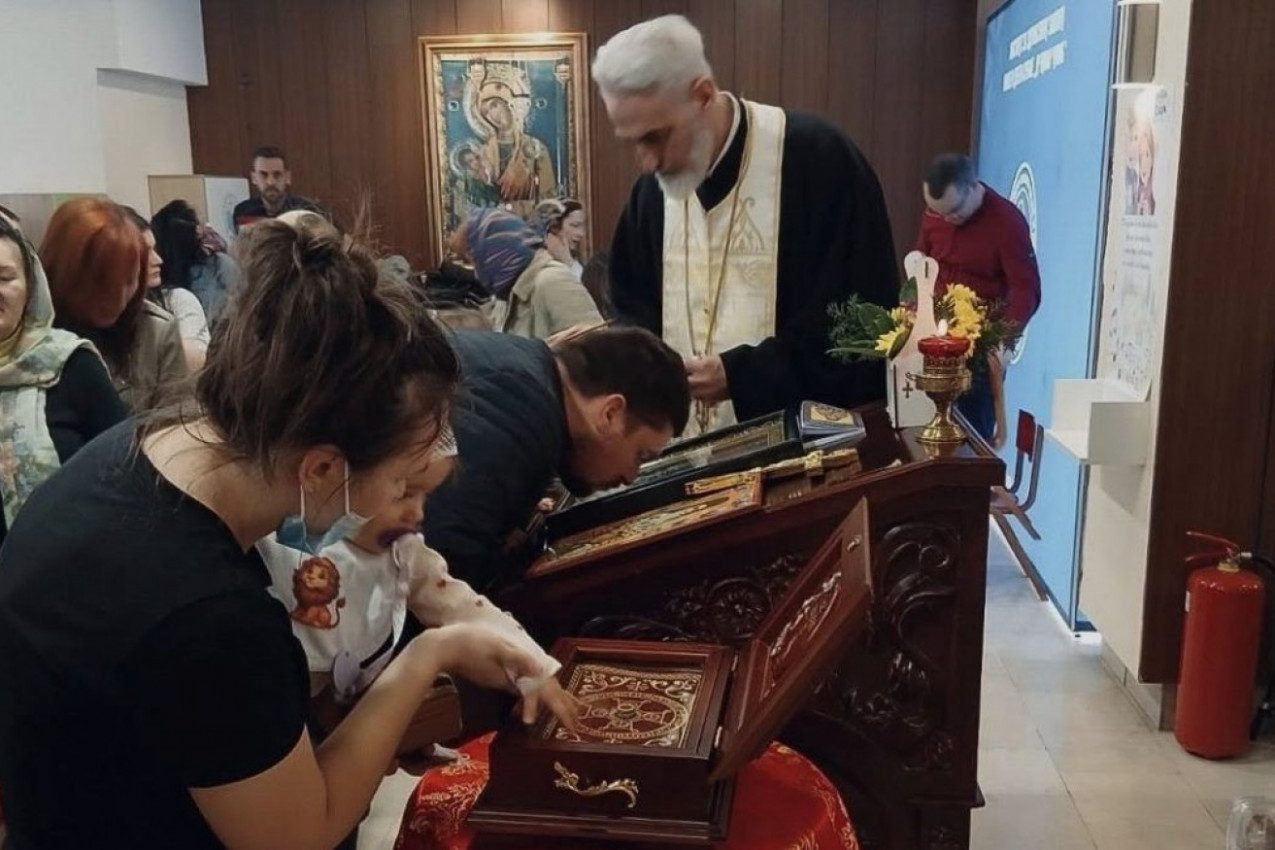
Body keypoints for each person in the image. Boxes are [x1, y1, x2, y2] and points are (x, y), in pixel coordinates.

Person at [0, 216, 547, 850]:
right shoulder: (205, 612)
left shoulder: (153, 442)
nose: (412, 510)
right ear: (321, 468)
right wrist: (434, 653)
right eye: (403, 486)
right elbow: (296, 837)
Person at [598, 15, 898, 436]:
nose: (647, 163)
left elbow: (862, 325)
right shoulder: (650, 196)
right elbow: (633, 313)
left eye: (655, 137)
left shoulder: (819, 159)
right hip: (681, 458)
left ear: (703, 95)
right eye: (632, 143)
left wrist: (742, 375)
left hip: (800, 458)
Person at [256, 426, 573, 734]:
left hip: (347, 717)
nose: (418, 513)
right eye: (403, 493)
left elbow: (461, 605)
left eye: (425, 496)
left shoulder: (403, 553)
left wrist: (533, 665)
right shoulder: (280, 532)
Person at [424, 325, 690, 594]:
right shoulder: (520, 415)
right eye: (640, 455)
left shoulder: (524, 369)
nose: (631, 477)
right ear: (610, 413)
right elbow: (440, 577)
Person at [0, 212, 126, 547]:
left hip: (62, 575)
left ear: (30, 285)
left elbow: (124, 474)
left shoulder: (69, 364)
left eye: (4, 277)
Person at [915, 153, 1042, 443]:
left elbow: (1027, 290)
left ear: (973, 187)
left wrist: (1003, 338)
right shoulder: (937, 214)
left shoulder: (1007, 223)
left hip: (978, 345)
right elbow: (922, 258)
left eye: (954, 211)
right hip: (932, 338)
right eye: (938, 213)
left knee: (969, 441)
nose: (947, 219)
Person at [41, 198, 188, 412]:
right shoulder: (29, 329)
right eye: (104, 284)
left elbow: (176, 425)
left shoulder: (157, 332)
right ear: (67, 274)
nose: (118, 299)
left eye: (129, 281)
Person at [458, 208, 601, 340]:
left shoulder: (552, 281)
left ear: (495, 254)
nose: (477, 273)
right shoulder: (508, 295)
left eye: (476, 261)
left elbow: (597, 348)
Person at [128, 207, 210, 372]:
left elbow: (194, 366)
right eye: (145, 252)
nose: (158, 260)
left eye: (155, 249)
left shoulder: (178, 301)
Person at [152, 199, 240, 323]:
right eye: (200, 222)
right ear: (195, 232)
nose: (208, 225)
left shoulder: (158, 281)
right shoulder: (220, 266)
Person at [232, 145, 326, 233]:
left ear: (287, 177)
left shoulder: (307, 210)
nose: (271, 182)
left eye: (277, 174)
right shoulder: (243, 212)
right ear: (254, 178)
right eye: (263, 175)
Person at [535, 198, 587, 280]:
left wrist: (568, 261)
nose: (581, 233)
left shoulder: (574, 260)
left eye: (583, 226)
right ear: (554, 228)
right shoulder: (543, 267)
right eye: (575, 225)